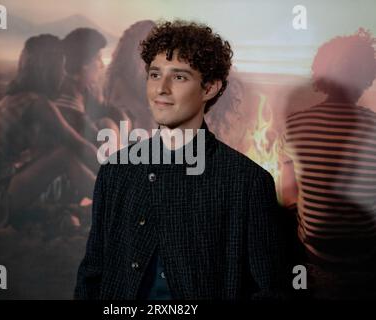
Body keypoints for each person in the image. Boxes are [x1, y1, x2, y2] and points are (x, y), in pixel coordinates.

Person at [75, 20, 287, 300]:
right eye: (154, 74)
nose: (160, 88)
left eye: (179, 77)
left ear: (209, 88)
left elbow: (269, 290)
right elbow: (93, 275)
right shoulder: (116, 172)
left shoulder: (246, 182)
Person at [279, 28, 376, 299]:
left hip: (315, 250)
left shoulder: (294, 124)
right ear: (366, 77)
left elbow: (288, 196)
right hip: (366, 251)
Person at [0, 34, 98, 228]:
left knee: (59, 155)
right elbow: (80, 147)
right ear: (49, 69)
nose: (64, 74)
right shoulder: (37, 104)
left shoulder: (20, 97)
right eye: (61, 67)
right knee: (64, 156)